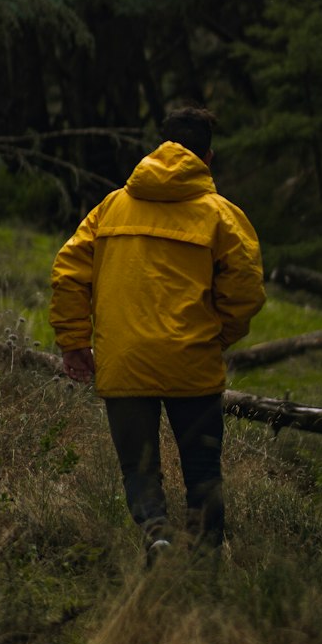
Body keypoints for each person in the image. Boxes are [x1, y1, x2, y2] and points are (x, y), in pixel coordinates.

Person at [49, 106, 265, 564]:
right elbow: (246, 290)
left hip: (124, 360)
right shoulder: (222, 216)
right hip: (193, 361)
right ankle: (205, 564)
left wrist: (74, 342)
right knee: (203, 470)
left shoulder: (111, 207)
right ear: (208, 156)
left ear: (161, 146)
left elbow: (68, 272)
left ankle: (157, 536)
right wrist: (218, 335)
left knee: (139, 468)